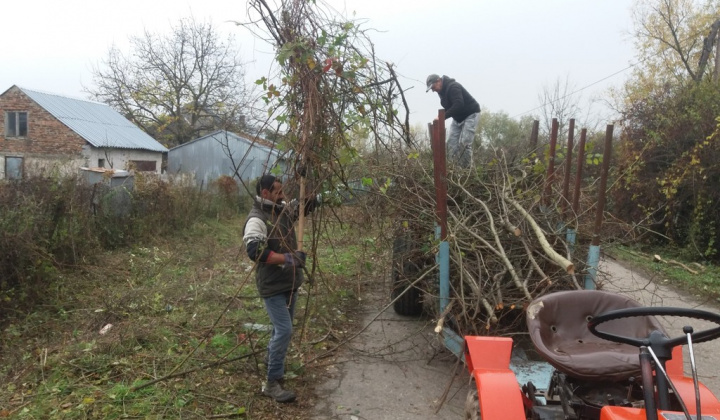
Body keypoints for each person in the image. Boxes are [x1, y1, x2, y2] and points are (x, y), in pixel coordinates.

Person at [242, 174, 316, 403]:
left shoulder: (280, 209)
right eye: (278, 191)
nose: (283, 195)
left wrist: (309, 178)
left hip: (290, 283)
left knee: (280, 329)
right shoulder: (258, 218)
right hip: (273, 286)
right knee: (284, 330)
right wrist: (289, 259)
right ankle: (272, 382)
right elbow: (255, 252)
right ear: (265, 193)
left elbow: (304, 206)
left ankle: (271, 359)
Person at [426, 74, 481, 168]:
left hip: (470, 115)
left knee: (464, 143)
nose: (433, 90)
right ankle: (453, 169)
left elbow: (458, 104)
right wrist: (442, 117)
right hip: (457, 118)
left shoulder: (453, 87)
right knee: (451, 144)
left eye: (433, 87)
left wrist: (442, 117)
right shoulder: (441, 92)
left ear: (439, 81)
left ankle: (466, 171)